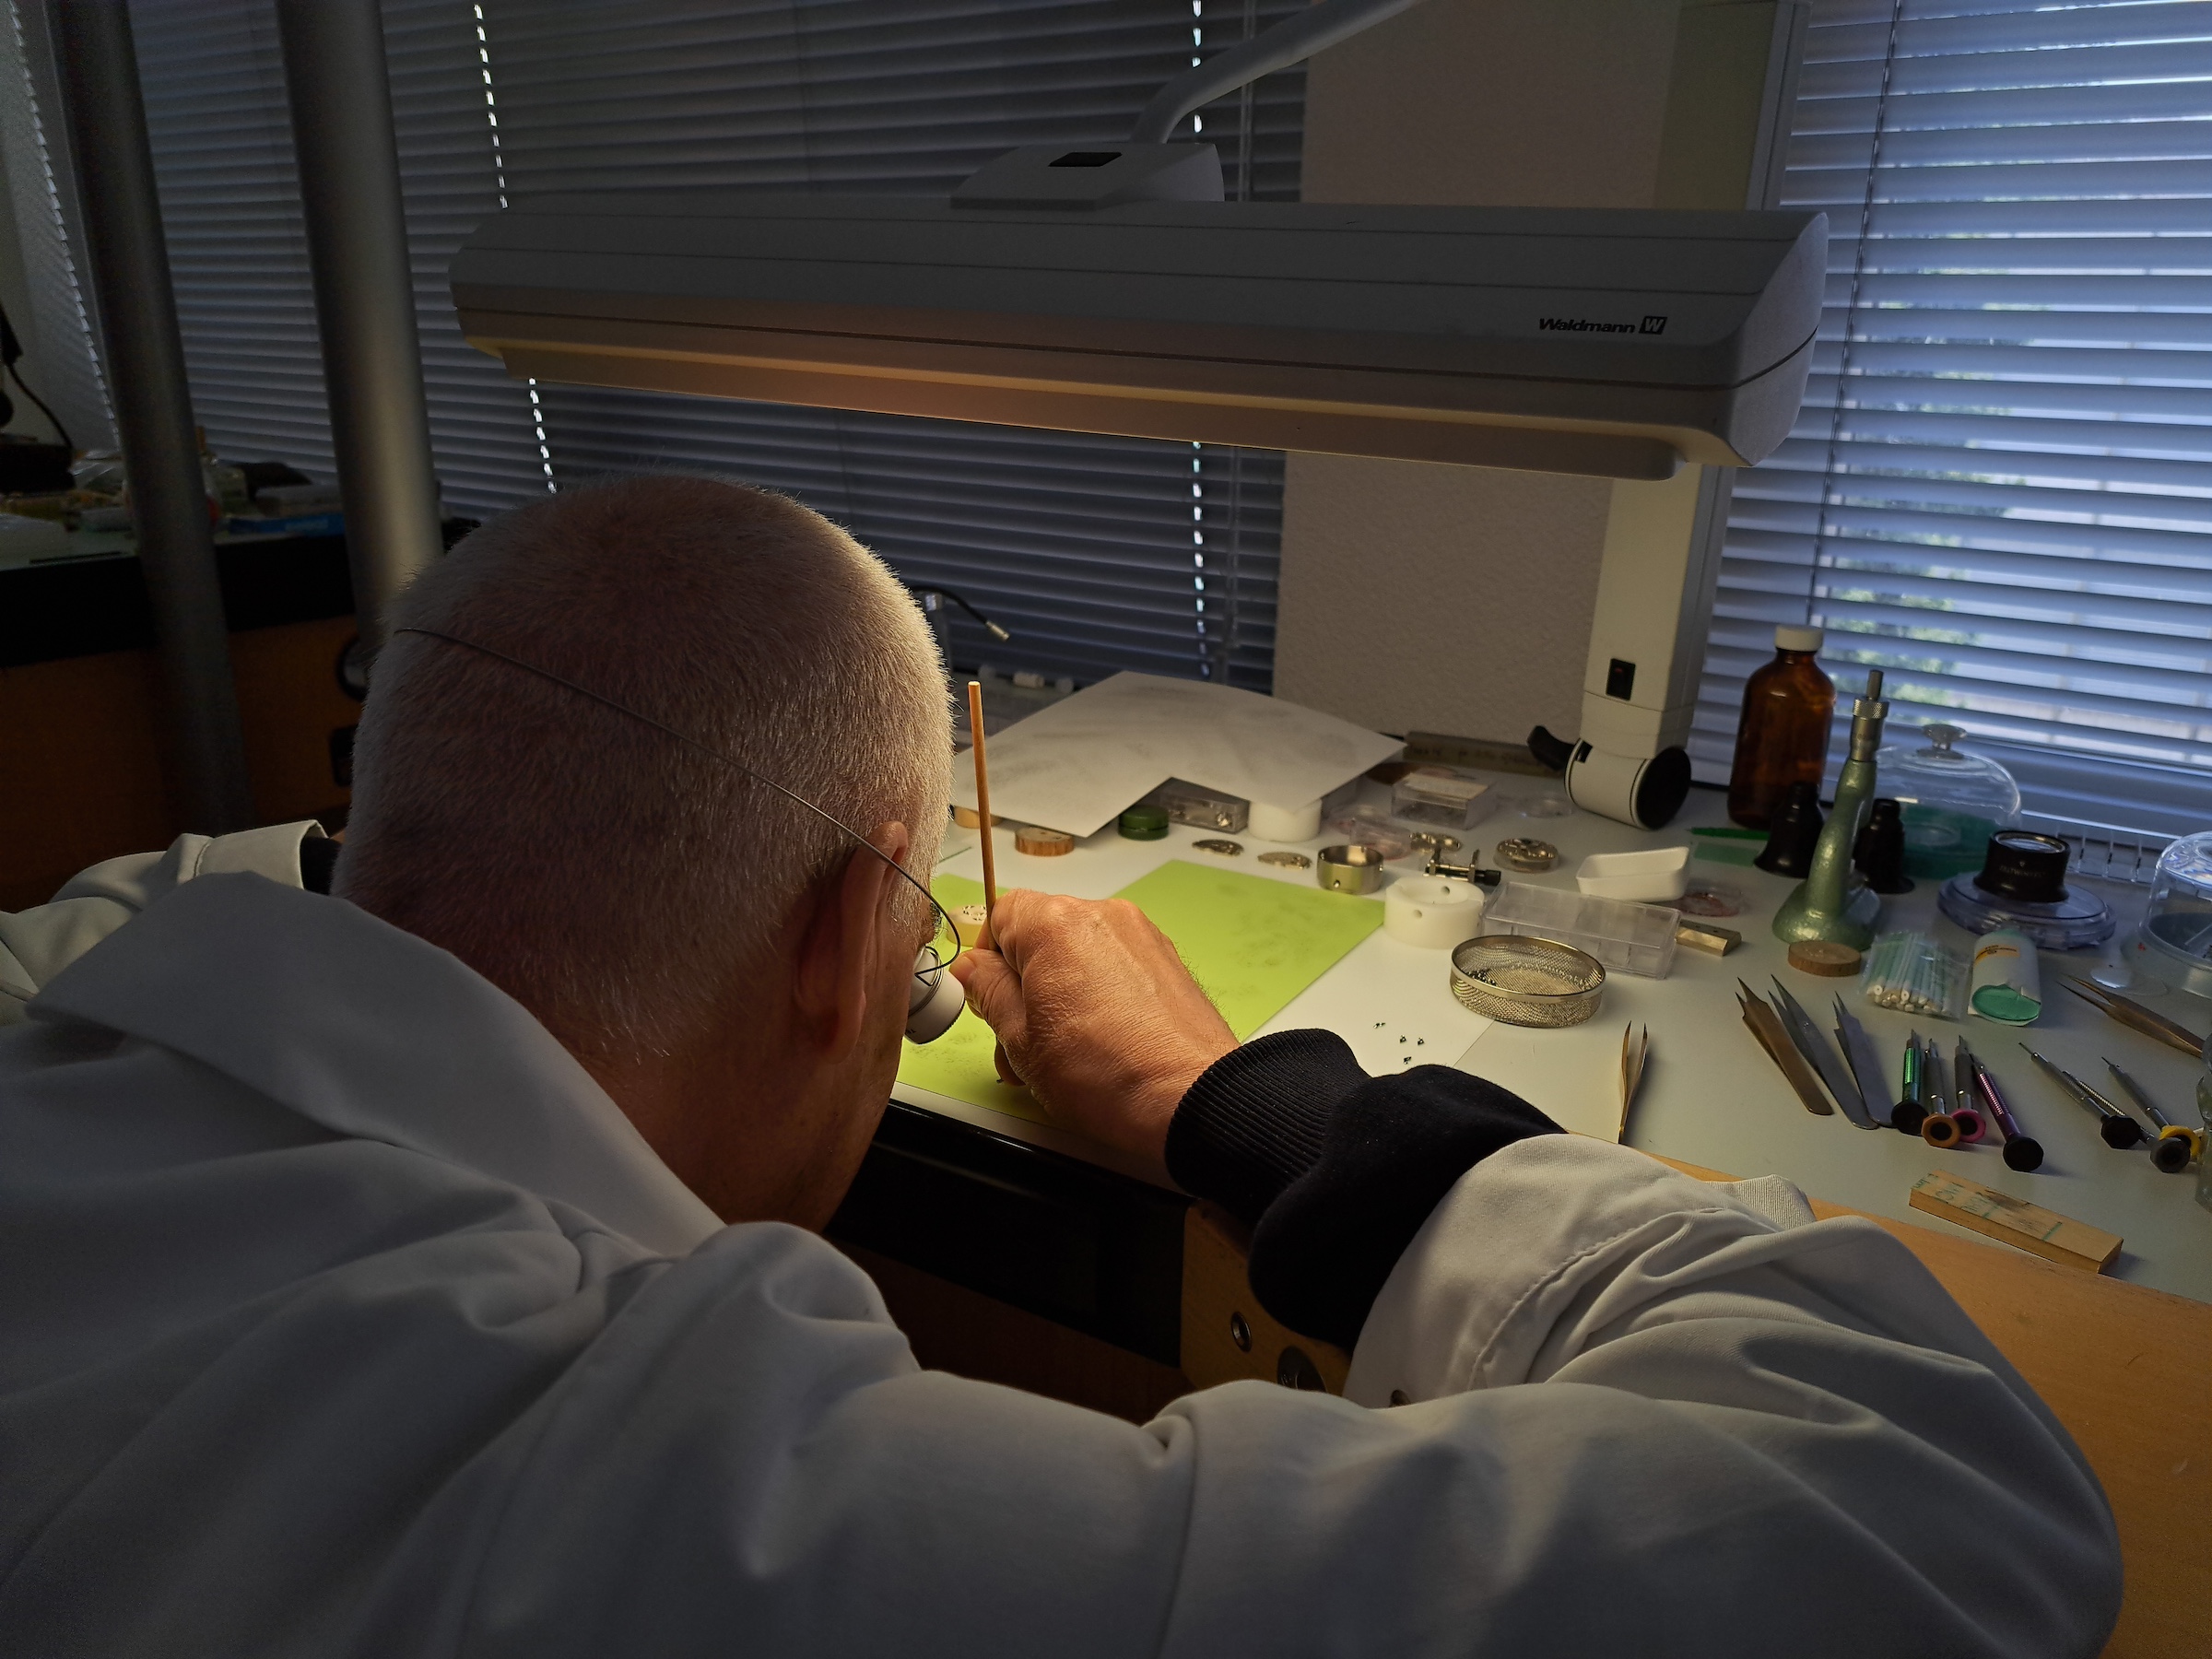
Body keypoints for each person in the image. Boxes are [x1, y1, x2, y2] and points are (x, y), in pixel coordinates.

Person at [0, 477, 2120, 1657]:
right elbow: (1935, 1495)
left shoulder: (57, 1012)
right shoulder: (715, 1529)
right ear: (857, 950)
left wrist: (464, 844)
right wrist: (1257, 1106)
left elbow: (166, 888)